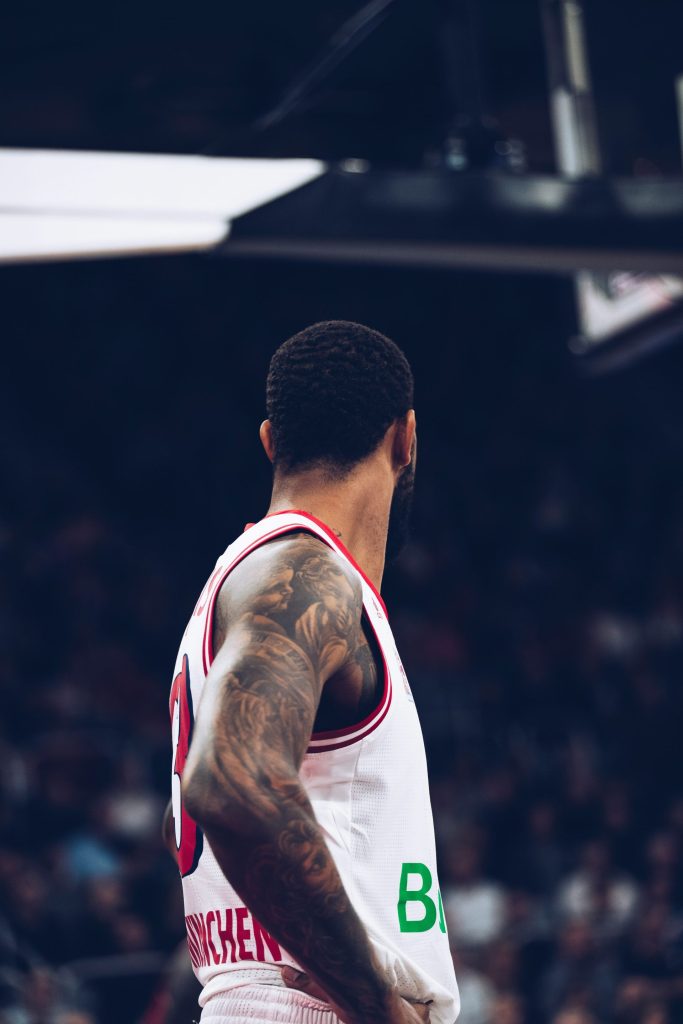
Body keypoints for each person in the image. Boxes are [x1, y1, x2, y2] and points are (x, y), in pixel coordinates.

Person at [164, 321, 460, 1024]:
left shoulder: (252, 577)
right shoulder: (304, 573)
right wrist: (380, 1009)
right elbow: (233, 782)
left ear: (270, 441)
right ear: (405, 438)